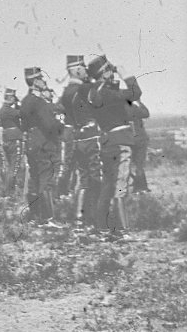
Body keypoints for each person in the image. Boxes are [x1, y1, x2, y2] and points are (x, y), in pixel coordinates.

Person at [86, 55, 143, 239]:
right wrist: (126, 75)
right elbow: (135, 93)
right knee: (120, 186)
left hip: (107, 142)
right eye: (109, 70)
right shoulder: (109, 93)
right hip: (121, 141)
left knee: (108, 185)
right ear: (104, 73)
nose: (112, 72)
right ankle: (122, 230)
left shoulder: (94, 93)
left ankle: (102, 227)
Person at [59, 55, 100, 228]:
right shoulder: (83, 90)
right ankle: (94, 217)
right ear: (76, 70)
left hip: (77, 138)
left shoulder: (67, 92)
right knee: (95, 177)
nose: (86, 71)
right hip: (91, 137)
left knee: (83, 179)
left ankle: (79, 217)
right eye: (83, 68)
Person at [20, 66, 64, 228]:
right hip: (43, 143)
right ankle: (47, 218)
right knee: (46, 179)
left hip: (31, 144)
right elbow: (50, 125)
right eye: (41, 78)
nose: (44, 80)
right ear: (35, 82)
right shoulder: (38, 102)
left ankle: (34, 215)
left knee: (35, 179)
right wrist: (60, 124)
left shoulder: (25, 101)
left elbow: (24, 125)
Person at [0, 88, 25, 197]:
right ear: (10, 98)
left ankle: (8, 190)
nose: (14, 100)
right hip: (14, 139)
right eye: (14, 98)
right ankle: (9, 193)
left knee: (11, 166)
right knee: (14, 167)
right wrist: (19, 103)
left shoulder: (3, 109)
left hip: (7, 139)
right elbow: (22, 114)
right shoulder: (8, 110)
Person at [129, 100, 151, 193]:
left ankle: (140, 186)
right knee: (139, 165)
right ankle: (140, 187)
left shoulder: (120, 108)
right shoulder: (134, 107)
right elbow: (146, 113)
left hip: (130, 140)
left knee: (132, 165)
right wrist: (139, 102)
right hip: (140, 140)